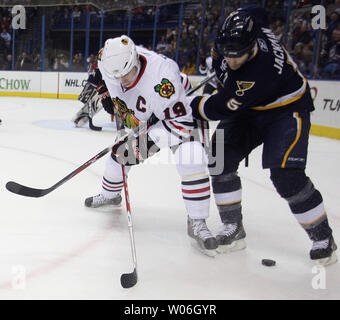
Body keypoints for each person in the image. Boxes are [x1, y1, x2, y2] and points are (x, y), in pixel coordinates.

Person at [187, 6, 337, 265]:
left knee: (286, 176)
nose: (231, 60)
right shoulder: (249, 21)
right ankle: (233, 227)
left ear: (253, 45)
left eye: (238, 56)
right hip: (249, 110)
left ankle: (323, 237)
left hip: (285, 110)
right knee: (219, 159)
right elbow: (258, 10)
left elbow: (218, 107)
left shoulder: (258, 73)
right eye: (227, 54)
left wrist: (187, 105)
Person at [84, 35, 217, 256]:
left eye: (126, 74)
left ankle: (197, 222)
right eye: (115, 76)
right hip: (149, 114)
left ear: (135, 60)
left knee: (191, 159)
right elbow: (100, 70)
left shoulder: (162, 78)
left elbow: (180, 126)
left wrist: (142, 145)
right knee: (119, 155)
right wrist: (103, 88)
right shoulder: (108, 59)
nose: (121, 80)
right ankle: (110, 195)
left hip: (181, 116)